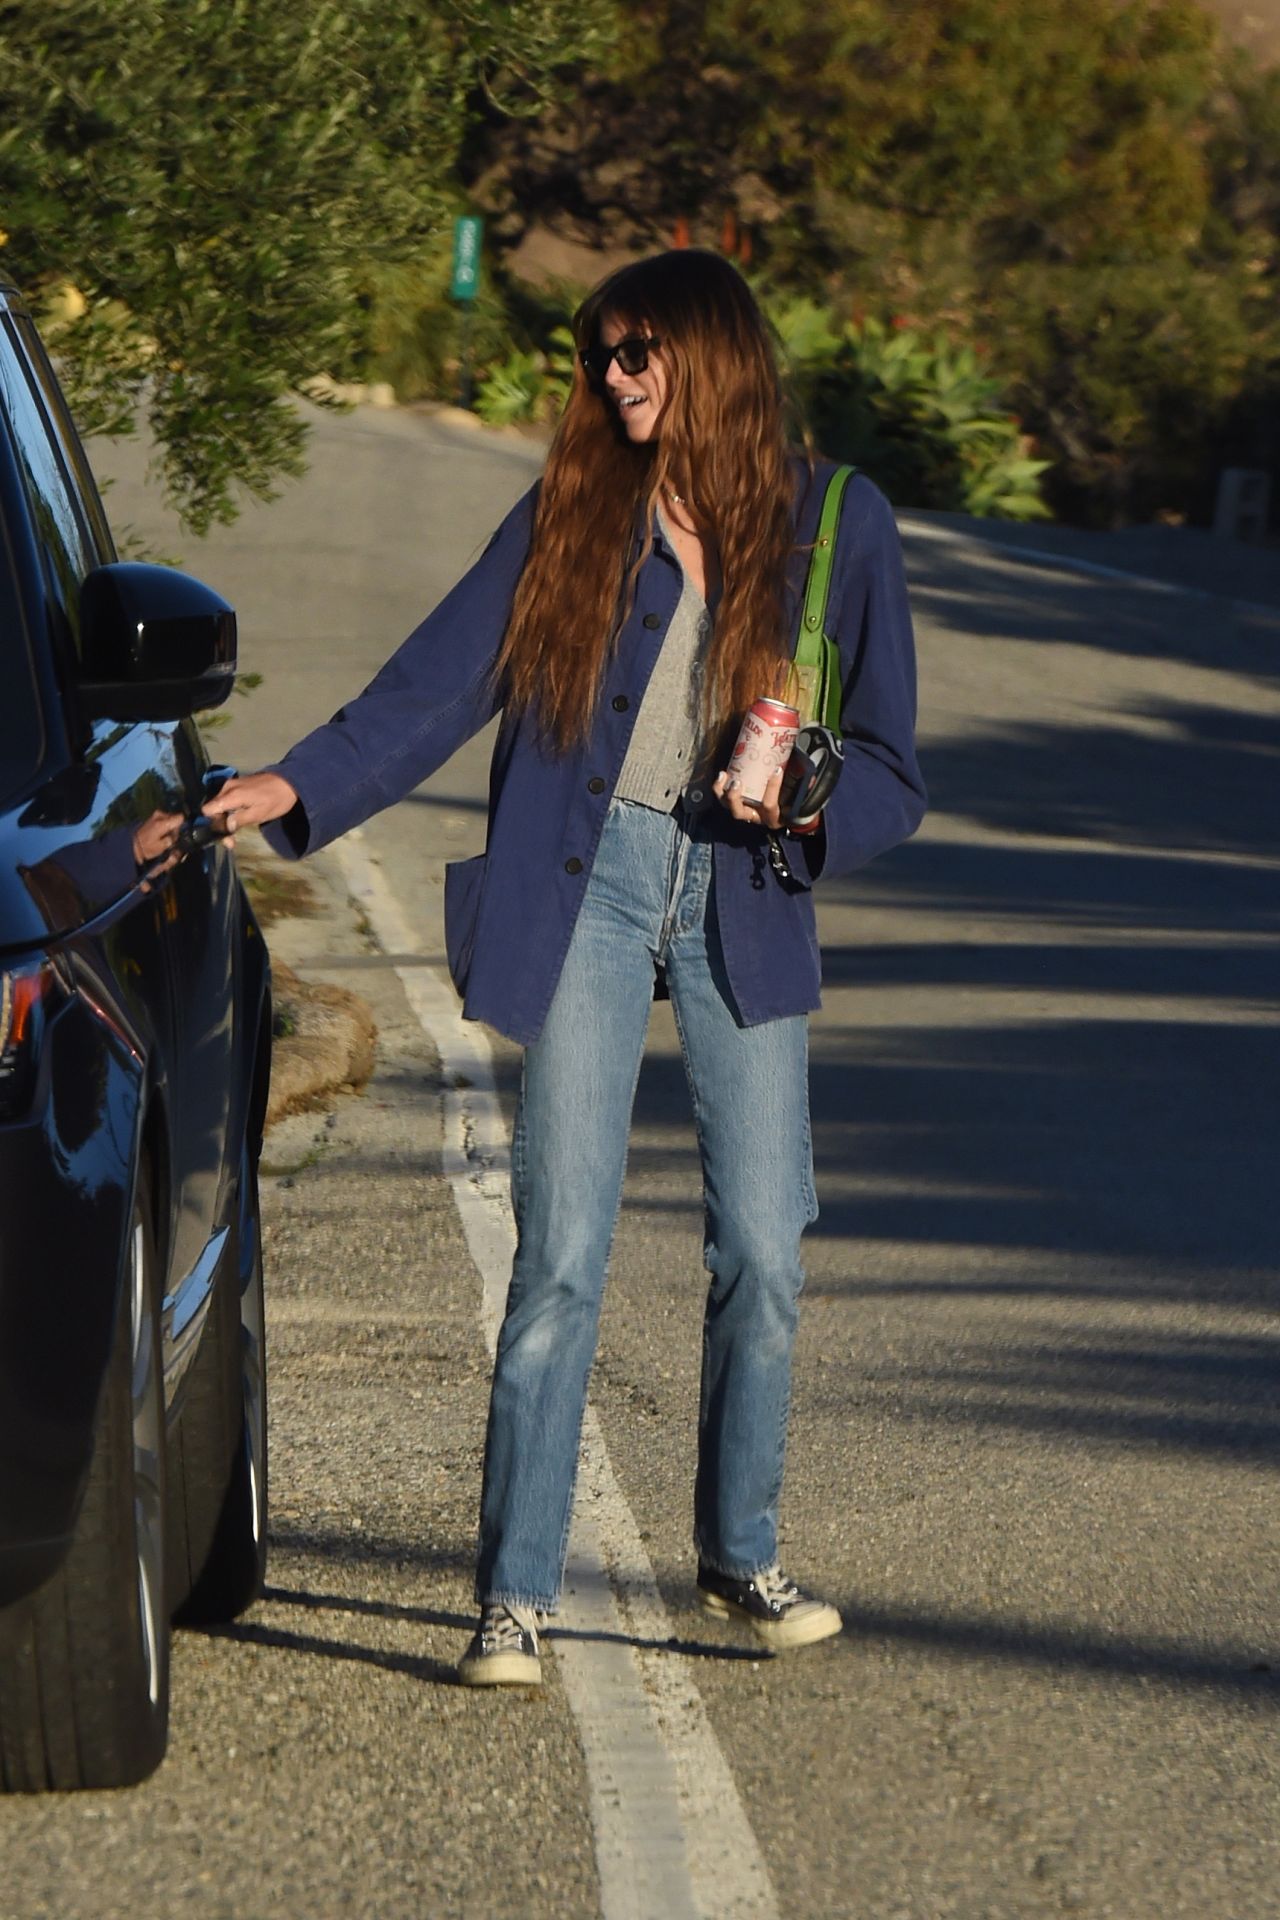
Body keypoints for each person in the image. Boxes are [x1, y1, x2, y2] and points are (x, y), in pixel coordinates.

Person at [204, 249, 926, 1687]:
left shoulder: (839, 524)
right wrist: (291, 792)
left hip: (742, 898)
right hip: (582, 893)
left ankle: (739, 1555)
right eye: (599, 353)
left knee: (767, 1247)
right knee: (563, 1257)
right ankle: (514, 1596)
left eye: (639, 350)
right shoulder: (574, 512)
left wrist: (807, 806)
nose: (612, 376)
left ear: (710, 354)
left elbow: (899, 768)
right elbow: (435, 683)